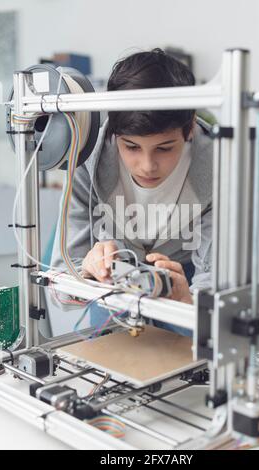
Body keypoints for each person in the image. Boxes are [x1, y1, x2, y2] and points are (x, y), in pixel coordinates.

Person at [51, 48, 213, 335]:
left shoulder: (218, 166)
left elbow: (213, 281)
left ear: (189, 129)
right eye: (132, 147)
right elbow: (61, 286)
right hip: (113, 278)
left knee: (193, 357)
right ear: (113, 131)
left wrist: (190, 303)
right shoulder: (86, 158)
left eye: (164, 148)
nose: (147, 166)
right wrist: (88, 273)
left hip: (184, 278)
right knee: (109, 363)